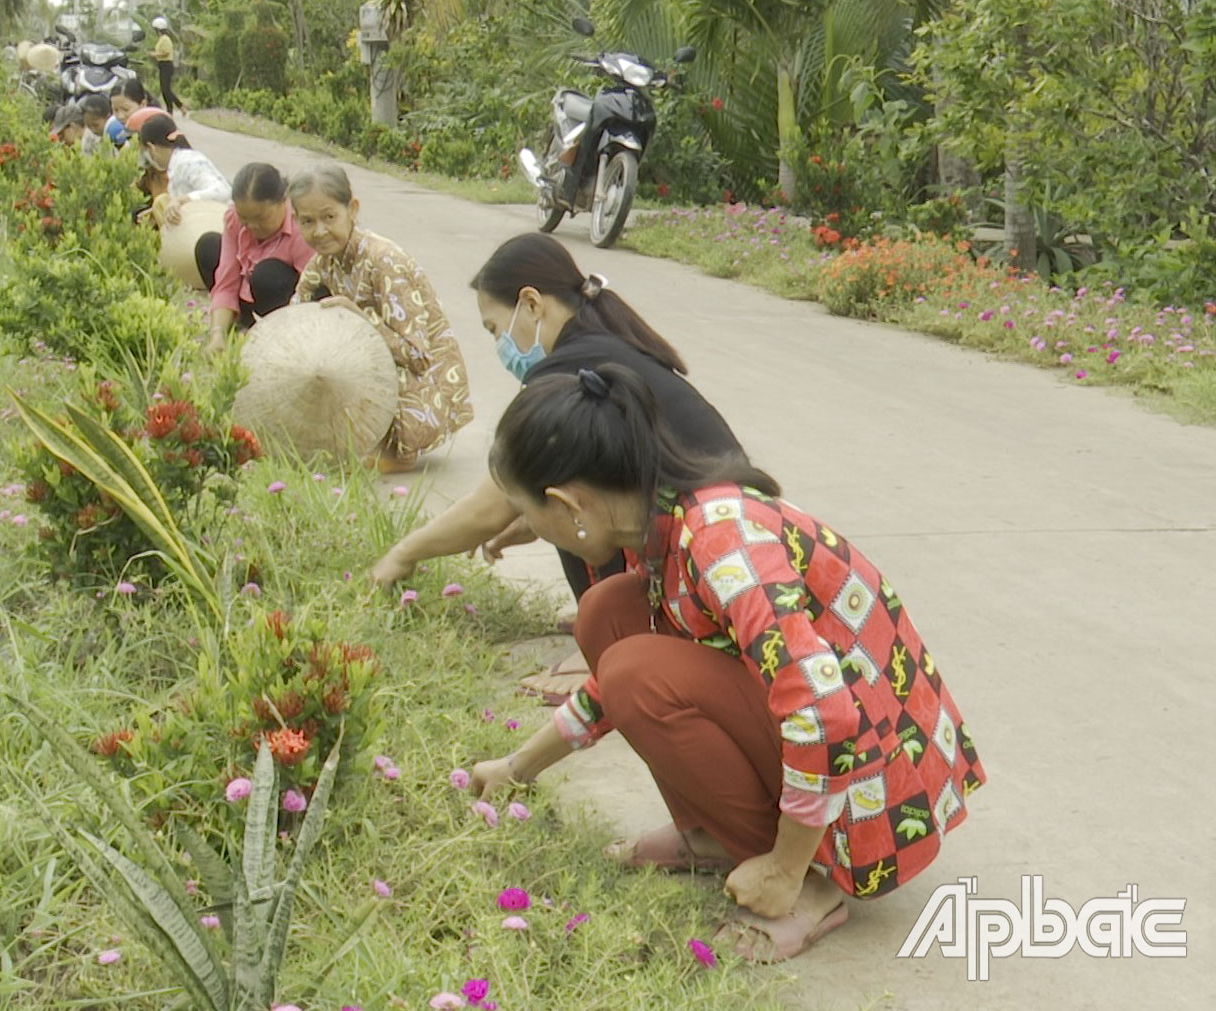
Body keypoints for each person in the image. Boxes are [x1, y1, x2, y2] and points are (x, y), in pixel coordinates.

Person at [469, 362, 986, 962]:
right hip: (833, 732)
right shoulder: (660, 521)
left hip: (870, 778)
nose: (527, 527)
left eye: (527, 512)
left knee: (635, 670)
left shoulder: (722, 543)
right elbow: (614, 681)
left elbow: (824, 713)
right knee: (609, 614)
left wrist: (784, 870)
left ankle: (805, 889)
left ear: (567, 502)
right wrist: (518, 766)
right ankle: (712, 834)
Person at [369, 233, 750, 695]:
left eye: (494, 329)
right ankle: (609, 617)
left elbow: (491, 505)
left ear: (531, 304)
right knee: (552, 493)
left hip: (709, 540)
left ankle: (614, 642)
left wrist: (401, 555)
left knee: (553, 481)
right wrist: (530, 517)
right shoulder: (600, 343)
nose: (500, 344)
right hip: (728, 518)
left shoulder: (570, 368)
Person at [288, 164, 473, 473]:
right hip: (385, 367)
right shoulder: (322, 265)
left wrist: (362, 322)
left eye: (329, 217)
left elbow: (419, 357)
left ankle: (398, 449)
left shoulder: (384, 261)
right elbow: (295, 320)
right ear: (296, 222)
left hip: (425, 385)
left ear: (352, 209)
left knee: (352, 330)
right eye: (308, 221)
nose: (319, 231)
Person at [199, 163, 316, 351]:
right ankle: (240, 321)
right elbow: (226, 282)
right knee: (208, 246)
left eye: (261, 218)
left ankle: (272, 333)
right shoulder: (235, 219)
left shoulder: (301, 227)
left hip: (284, 303)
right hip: (246, 296)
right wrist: (217, 334)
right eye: (245, 219)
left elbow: (313, 292)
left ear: (283, 200)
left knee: (266, 274)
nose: (252, 226)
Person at [137, 115, 231, 230]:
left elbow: (221, 191)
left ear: (151, 148)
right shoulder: (175, 165)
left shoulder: (187, 162)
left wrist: (181, 200)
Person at [150, 16, 184, 117]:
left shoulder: (165, 39)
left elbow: (166, 52)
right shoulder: (162, 39)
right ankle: (174, 108)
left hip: (166, 65)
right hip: (162, 65)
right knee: (165, 89)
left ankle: (175, 108)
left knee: (166, 89)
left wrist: (154, 54)